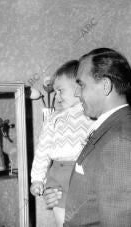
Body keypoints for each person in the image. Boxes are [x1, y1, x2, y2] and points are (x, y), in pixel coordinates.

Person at [44, 48, 131, 226]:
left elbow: (118, 219)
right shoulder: (108, 128)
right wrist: (61, 195)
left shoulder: (119, 140)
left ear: (105, 86)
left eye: (81, 85)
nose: (76, 93)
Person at [30, 60, 93, 226]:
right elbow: (42, 151)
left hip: (83, 173)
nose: (56, 97)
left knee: (84, 217)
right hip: (58, 174)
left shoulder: (91, 115)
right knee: (62, 220)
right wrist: (37, 179)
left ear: (79, 87)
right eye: (55, 92)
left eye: (60, 91)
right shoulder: (53, 119)